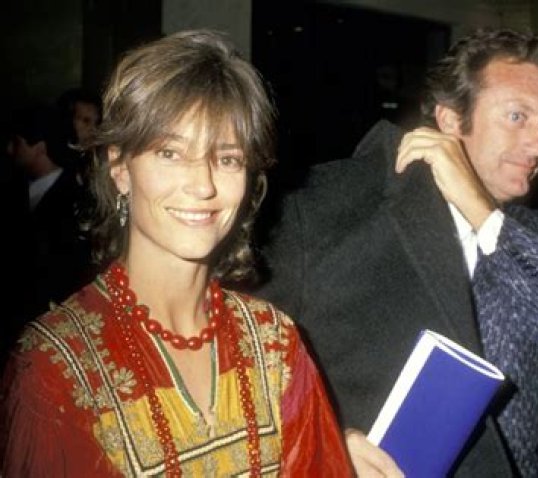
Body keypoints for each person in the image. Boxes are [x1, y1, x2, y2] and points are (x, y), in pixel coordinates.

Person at [256, 28, 538, 477]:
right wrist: (326, 439)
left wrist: (483, 214)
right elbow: (247, 364)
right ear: (450, 121)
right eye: (517, 117)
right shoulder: (333, 204)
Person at [0, 30, 351, 477]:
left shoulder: (275, 341)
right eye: (170, 153)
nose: (203, 185)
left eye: (227, 158)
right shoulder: (53, 366)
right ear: (119, 167)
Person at [4, 104, 94, 340]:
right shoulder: (14, 190)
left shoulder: (76, 201)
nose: (9, 149)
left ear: (39, 147)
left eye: (17, 142)